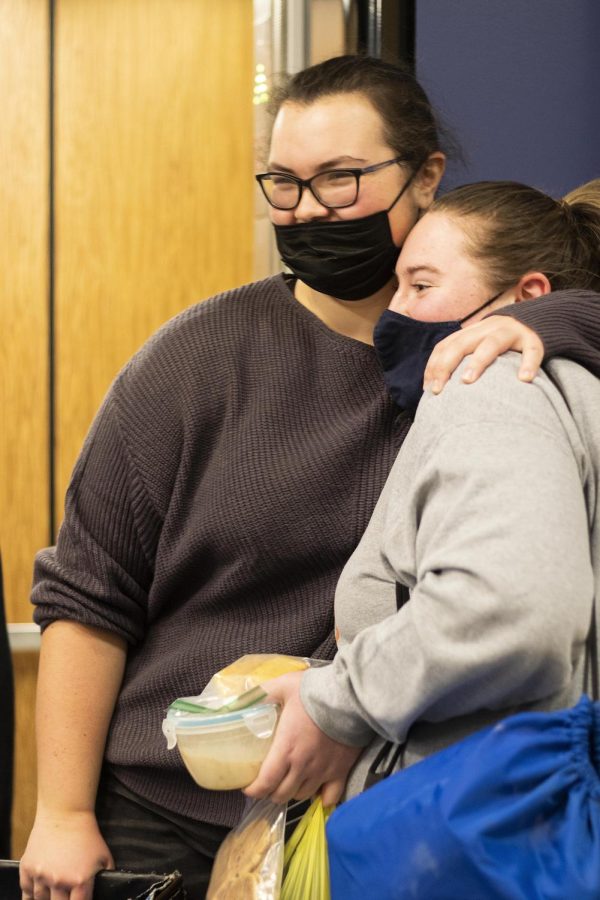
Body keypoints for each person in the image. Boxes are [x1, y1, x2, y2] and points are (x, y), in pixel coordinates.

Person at [19, 51, 600, 899]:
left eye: (341, 179)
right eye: (284, 185)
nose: (309, 209)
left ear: (426, 176)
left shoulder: (495, 357)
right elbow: (86, 593)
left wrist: (565, 318)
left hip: (351, 804)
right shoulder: (197, 358)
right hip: (168, 799)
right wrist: (61, 814)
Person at [244, 178, 600, 807]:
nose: (395, 312)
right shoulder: (568, 392)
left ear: (528, 298)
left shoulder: (494, 385)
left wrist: (334, 702)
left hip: (486, 830)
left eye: (423, 285)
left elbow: (509, 609)